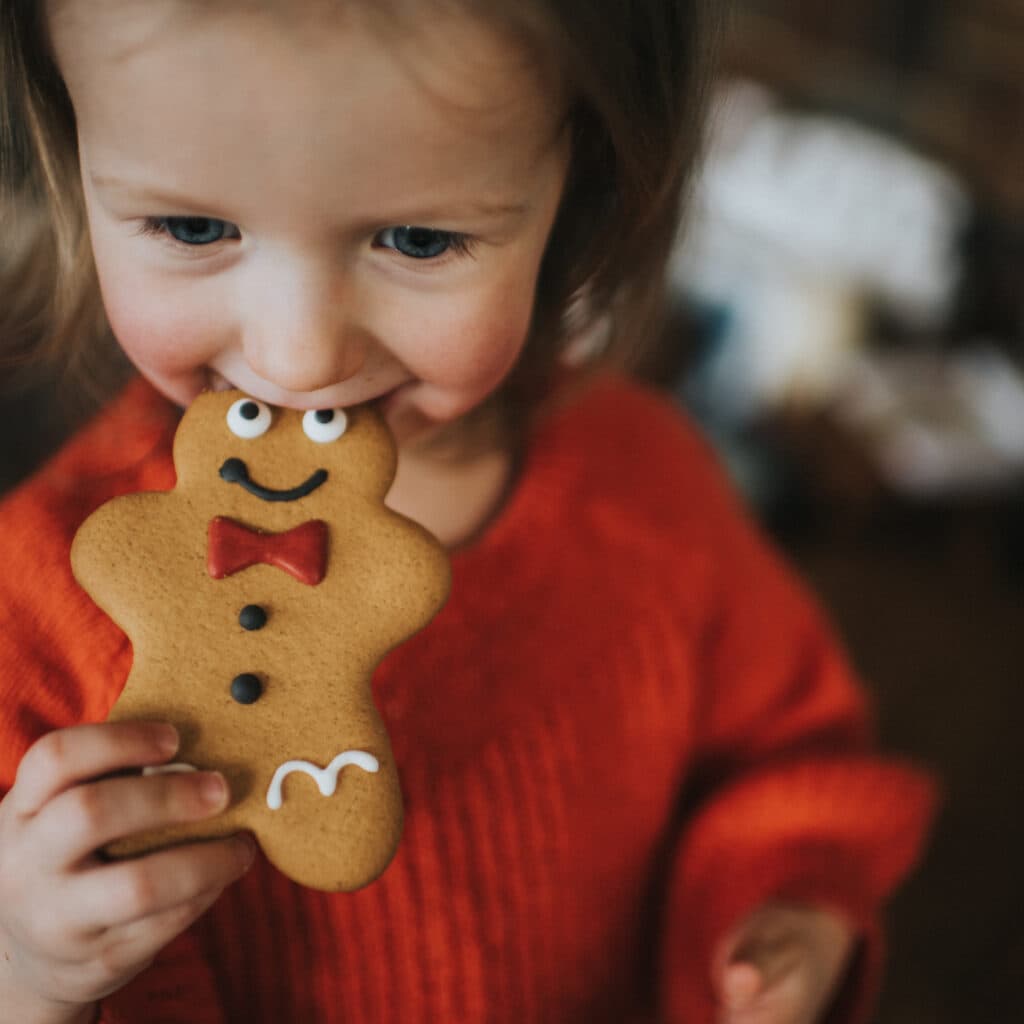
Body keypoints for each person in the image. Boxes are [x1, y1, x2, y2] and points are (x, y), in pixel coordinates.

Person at [0, 2, 936, 1022]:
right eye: (191, 226)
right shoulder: (32, 608)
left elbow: (785, 757)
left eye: (417, 238)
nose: (298, 353)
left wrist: (782, 903)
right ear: (72, 159)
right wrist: (28, 972)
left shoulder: (649, 484)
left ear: (577, 184)